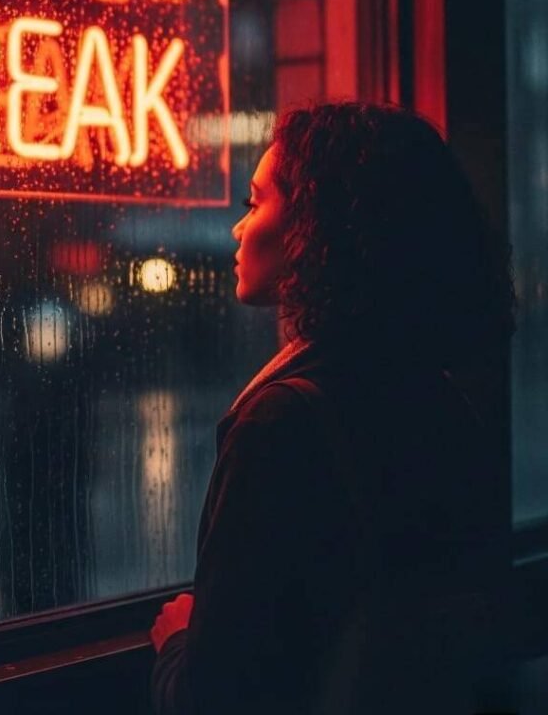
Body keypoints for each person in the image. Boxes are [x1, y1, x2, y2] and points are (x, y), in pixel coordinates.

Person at [149, 102, 515, 715]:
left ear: (316, 227)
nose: (239, 229)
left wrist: (178, 642)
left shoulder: (284, 423)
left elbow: (217, 697)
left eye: (255, 201)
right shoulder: (438, 397)